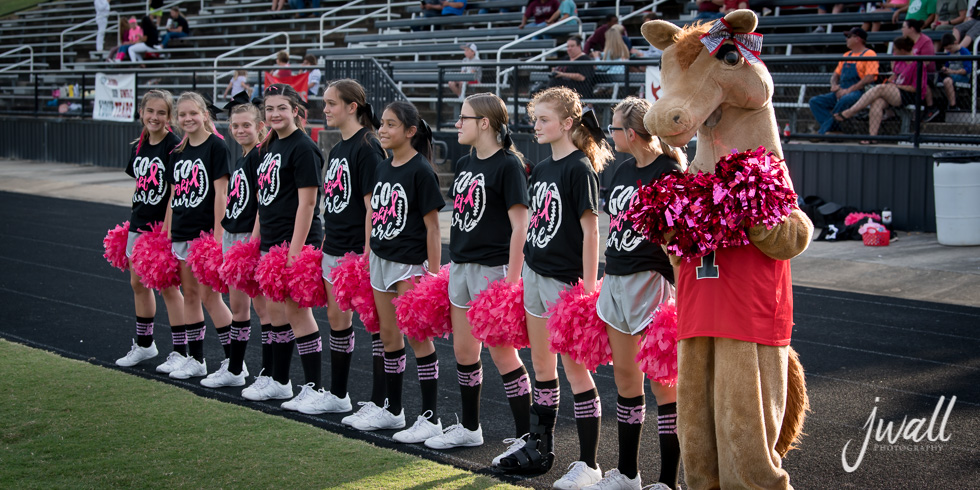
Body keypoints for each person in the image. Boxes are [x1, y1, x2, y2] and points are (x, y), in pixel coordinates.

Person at [494, 86, 616, 490]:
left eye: (544, 119)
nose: (536, 126)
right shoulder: (543, 167)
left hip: (564, 285)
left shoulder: (579, 168)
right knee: (543, 368)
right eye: (535, 119)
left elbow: (591, 230)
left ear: (567, 123)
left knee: (576, 372)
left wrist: (587, 289)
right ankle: (540, 446)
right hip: (535, 275)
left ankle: (589, 464)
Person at [582, 96, 684, 490]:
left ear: (632, 132)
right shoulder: (622, 171)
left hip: (652, 283)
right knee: (626, 379)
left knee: (664, 386)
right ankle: (627, 473)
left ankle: (666, 482)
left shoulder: (669, 171)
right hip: (617, 279)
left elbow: (676, 241)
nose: (610, 133)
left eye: (614, 126)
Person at [423, 93, 530, 451]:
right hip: (462, 265)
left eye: (463, 118)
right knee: (464, 352)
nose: (457, 124)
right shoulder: (467, 162)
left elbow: (520, 227)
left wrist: (511, 284)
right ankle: (470, 428)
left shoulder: (508, 164)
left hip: (492, 270)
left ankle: (526, 436)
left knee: (502, 353)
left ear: (484, 123)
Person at [351, 101, 446, 443]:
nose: (384, 130)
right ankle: (392, 411)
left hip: (409, 265)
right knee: (389, 339)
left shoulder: (421, 171)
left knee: (419, 341)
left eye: (392, 125)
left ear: (410, 131)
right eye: (382, 124)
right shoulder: (383, 166)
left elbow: (433, 228)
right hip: (380, 259)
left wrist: (432, 277)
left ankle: (431, 416)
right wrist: (368, 250)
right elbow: (375, 213)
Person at [309, 79, 386, 417]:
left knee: (376, 325)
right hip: (334, 245)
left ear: (352, 106)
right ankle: (338, 394)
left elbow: (373, 206)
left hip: (357, 251)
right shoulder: (339, 147)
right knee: (336, 318)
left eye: (331, 103)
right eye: (325, 103)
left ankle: (382, 402)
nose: (325, 109)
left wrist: (368, 253)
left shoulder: (367, 146)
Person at [250, 84, 328, 413]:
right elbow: (263, 199)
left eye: (282, 108)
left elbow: (308, 204)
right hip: (272, 240)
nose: (275, 114)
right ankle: (279, 380)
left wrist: (294, 254)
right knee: (276, 313)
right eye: (269, 109)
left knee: (298, 312)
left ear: (296, 110)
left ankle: (315, 387)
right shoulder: (269, 146)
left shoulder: (303, 148)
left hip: (295, 242)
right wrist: (257, 240)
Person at [114, 89, 186, 371]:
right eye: (150, 111)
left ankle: (180, 350)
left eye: (161, 113)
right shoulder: (139, 145)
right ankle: (145, 345)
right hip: (138, 223)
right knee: (138, 284)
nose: (154, 117)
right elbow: (141, 184)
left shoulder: (174, 146)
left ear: (169, 117)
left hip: (161, 228)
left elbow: (173, 193)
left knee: (169, 288)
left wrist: (165, 232)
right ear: (141, 113)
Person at [200, 95, 268, 389]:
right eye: (235, 125)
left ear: (259, 126)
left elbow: (263, 205)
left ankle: (269, 373)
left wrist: (251, 244)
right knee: (239, 306)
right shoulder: (242, 155)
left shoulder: (260, 157)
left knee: (263, 310)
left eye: (246, 125)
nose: (240, 130)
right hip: (232, 234)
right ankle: (236, 368)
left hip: (246, 239)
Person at [165, 92, 234, 380]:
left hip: (205, 235)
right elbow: (172, 195)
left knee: (210, 296)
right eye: (182, 115)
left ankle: (235, 361)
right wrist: (167, 235)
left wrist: (218, 238)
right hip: (181, 231)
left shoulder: (216, 146)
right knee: (190, 295)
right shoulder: (178, 151)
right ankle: (196, 359)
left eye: (193, 113)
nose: (188, 119)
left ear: (205, 114)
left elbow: (222, 193)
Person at [837, 36, 927, 142]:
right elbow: (895, 75)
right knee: (877, 102)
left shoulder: (917, 64)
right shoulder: (899, 61)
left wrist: (895, 86)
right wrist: (892, 82)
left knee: (881, 88)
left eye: (895, 50)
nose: (893, 52)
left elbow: (915, 88)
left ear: (902, 51)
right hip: (894, 91)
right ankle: (872, 137)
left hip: (909, 94)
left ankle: (851, 111)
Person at [808, 27, 879, 135]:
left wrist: (848, 90)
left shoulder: (869, 54)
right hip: (842, 89)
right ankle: (834, 130)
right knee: (815, 101)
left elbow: (869, 78)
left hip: (860, 91)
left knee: (845, 100)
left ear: (858, 39)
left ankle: (823, 132)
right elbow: (835, 75)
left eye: (849, 37)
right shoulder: (847, 55)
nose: (846, 39)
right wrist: (834, 85)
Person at [904, 18, 940, 120]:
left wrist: (910, 69)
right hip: (908, 72)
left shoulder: (925, 40)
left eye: (904, 27)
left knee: (921, 78)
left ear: (911, 29)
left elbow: (927, 61)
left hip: (927, 72)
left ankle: (930, 107)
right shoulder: (906, 41)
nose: (902, 29)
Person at [937, 33, 973, 110]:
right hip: (951, 75)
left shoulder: (964, 52)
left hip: (963, 77)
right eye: (947, 49)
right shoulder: (949, 53)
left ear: (955, 43)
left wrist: (952, 72)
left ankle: (953, 105)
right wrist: (944, 69)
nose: (949, 50)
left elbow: (967, 70)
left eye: (950, 48)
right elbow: (947, 65)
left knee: (947, 81)